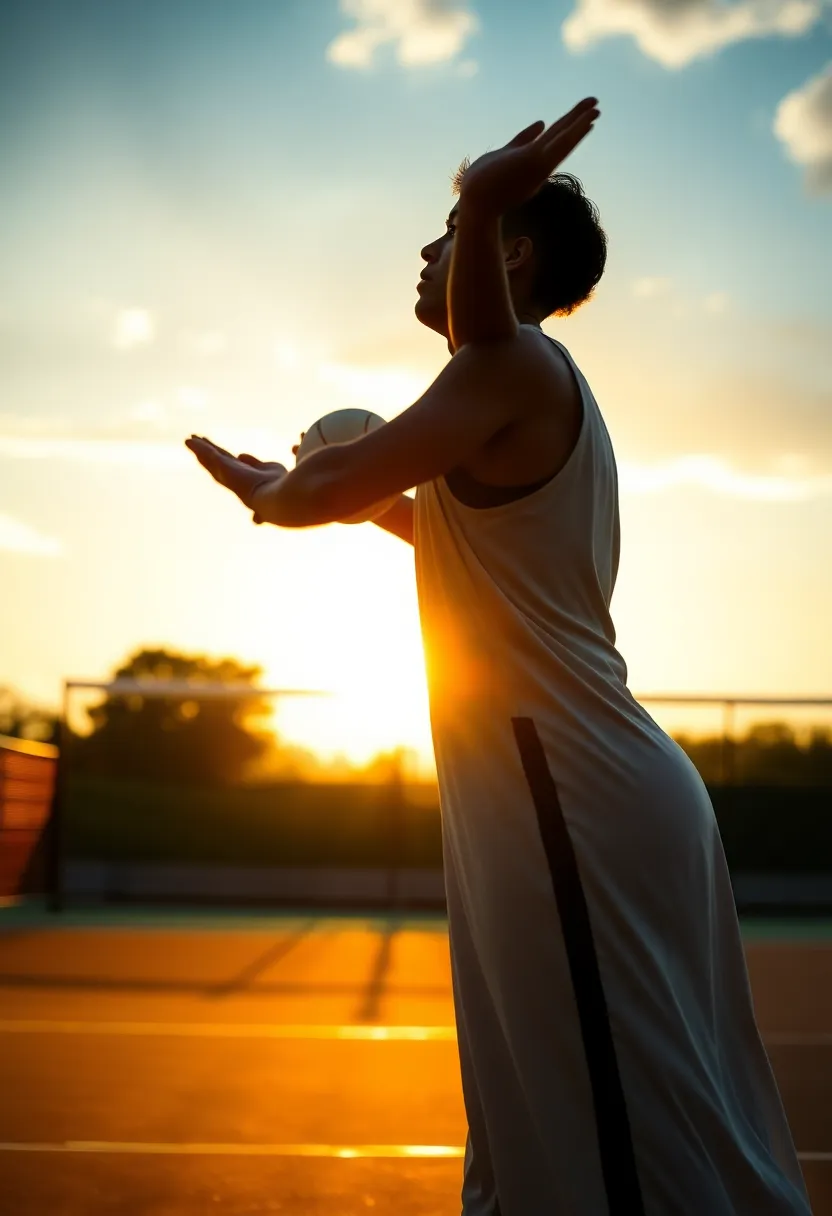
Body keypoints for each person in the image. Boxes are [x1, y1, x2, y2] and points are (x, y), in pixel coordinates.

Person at [186, 100, 811, 1215]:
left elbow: (327, 484)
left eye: (450, 233)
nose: (426, 253)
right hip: (564, 788)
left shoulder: (511, 362)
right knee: (551, 1119)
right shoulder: (517, 392)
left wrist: (278, 491)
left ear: (508, 254)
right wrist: (342, 497)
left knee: (621, 1144)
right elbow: (448, 536)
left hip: (564, 789)